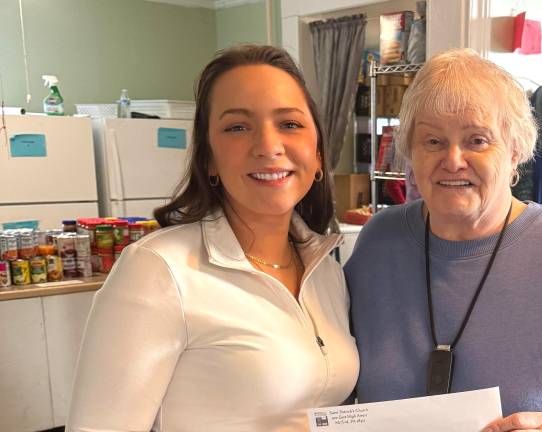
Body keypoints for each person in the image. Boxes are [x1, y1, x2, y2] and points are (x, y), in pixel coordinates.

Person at [344, 49, 542, 432]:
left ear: (515, 152)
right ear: (410, 151)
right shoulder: (378, 244)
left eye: (477, 140)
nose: (453, 159)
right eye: (432, 141)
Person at [67, 45, 358, 432]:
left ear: (318, 154)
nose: (269, 146)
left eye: (289, 124)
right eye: (238, 127)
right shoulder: (159, 270)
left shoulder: (325, 269)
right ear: (209, 159)